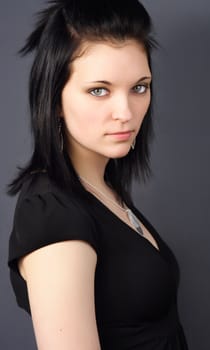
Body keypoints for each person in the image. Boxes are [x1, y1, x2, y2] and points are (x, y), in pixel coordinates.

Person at [8, 1, 189, 349]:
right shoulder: (53, 214)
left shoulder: (101, 190)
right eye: (98, 90)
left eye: (139, 87)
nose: (126, 113)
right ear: (55, 99)